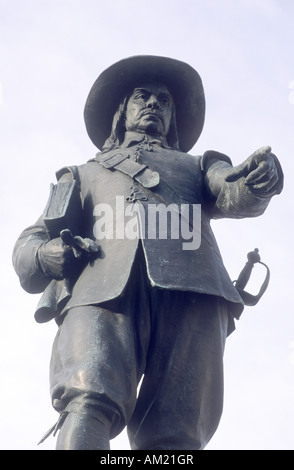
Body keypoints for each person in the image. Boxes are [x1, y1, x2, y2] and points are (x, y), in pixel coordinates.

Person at [12, 56, 283, 450]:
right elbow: (28, 245)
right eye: (143, 96)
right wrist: (45, 255)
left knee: (176, 432)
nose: (154, 104)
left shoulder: (199, 165)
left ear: (173, 117)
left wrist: (259, 179)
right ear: (122, 111)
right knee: (88, 399)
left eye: (165, 101)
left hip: (193, 292)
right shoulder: (82, 175)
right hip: (100, 291)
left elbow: (232, 190)